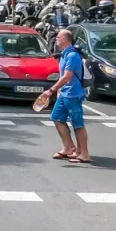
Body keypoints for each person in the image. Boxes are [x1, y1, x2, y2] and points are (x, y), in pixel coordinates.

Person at [45, 29, 90, 164]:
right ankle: (69, 147)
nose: (56, 39)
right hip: (64, 93)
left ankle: (84, 154)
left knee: (78, 124)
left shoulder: (72, 56)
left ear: (65, 39)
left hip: (73, 94)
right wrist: (59, 91)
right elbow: (62, 76)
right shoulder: (64, 55)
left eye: (58, 37)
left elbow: (67, 77)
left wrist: (51, 90)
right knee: (56, 117)